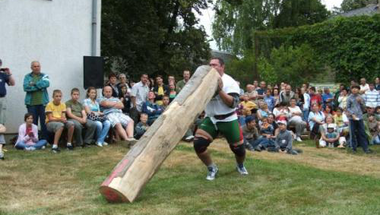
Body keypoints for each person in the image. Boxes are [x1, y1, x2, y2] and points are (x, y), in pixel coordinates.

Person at [193, 57, 248, 181]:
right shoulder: (204, 80)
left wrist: (219, 90)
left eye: (215, 65)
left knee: (239, 150)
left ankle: (240, 165)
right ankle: (212, 168)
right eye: (210, 64)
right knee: (199, 145)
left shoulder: (230, 82)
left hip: (228, 118)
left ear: (222, 67)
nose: (211, 67)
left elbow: (233, 103)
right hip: (211, 118)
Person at [346, 85, 371, 153]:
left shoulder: (361, 97)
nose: (354, 90)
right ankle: (353, 148)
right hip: (352, 118)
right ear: (351, 90)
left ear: (358, 90)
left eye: (356, 88)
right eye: (353, 88)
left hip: (360, 117)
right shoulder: (349, 98)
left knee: (362, 133)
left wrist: (361, 102)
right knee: (352, 133)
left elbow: (364, 108)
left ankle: (365, 148)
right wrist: (352, 114)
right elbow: (347, 108)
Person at [0, 59, 15, 160]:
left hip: (2, 99)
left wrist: (9, 74)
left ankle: (1, 144)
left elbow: (12, 83)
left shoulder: (3, 75)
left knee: (1, 122)